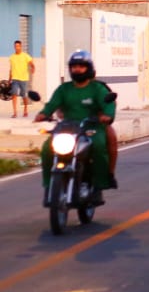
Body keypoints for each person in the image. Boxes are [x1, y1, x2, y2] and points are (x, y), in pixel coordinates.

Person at [36, 50, 116, 206]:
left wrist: (107, 115)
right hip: (67, 128)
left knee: (99, 146)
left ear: (89, 68)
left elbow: (108, 104)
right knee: (47, 149)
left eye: (81, 66)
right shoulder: (64, 89)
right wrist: (43, 113)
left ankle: (98, 187)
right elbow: (52, 104)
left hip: (91, 128)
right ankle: (49, 186)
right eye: (74, 67)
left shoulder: (97, 88)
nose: (77, 69)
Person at [8, 39, 35, 118]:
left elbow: (31, 64)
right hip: (15, 78)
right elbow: (11, 69)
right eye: (16, 46)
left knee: (23, 95)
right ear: (14, 47)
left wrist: (33, 68)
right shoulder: (12, 57)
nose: (17, 47)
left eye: (18, 46)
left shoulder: (25, 56)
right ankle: (15, 112)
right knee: (14, 94)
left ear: (21, 46)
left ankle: (25, 110)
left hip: (23, 78)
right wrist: (9, 79)